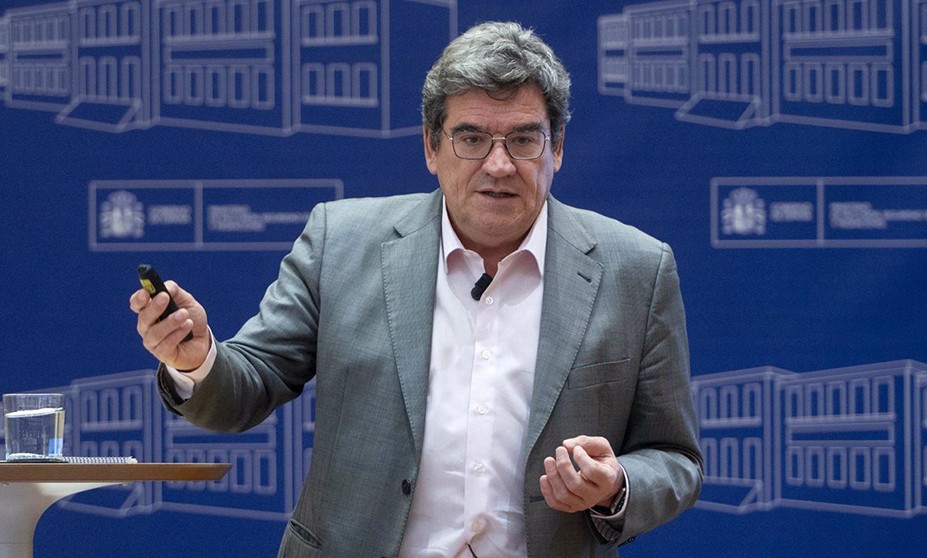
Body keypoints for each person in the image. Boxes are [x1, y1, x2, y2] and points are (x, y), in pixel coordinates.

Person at [131, 21, 702, 558]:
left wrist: (617, 484)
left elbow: (675, 458)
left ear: (556, 149)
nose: (499, 165)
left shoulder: (636, 270)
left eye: (524, 139)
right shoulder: (340, 242)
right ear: (431, 147)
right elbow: (249, 386)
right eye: (471, 138)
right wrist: (196, 361)